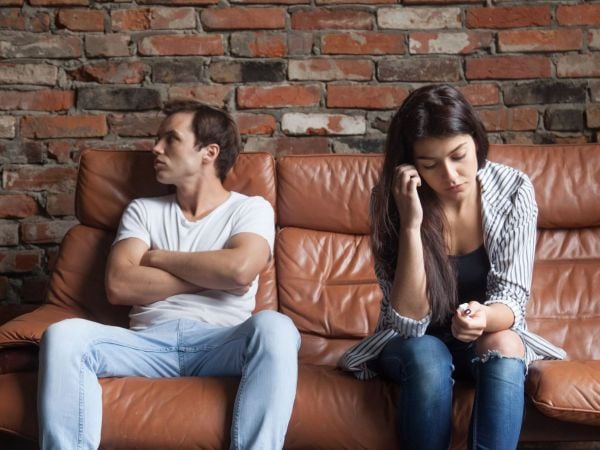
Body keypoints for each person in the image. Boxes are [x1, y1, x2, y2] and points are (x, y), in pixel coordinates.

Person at [38, 100, 300, 450]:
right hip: (147, 343)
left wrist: (157, 258)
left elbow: (239, 270)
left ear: (209, 152)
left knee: (277, 328)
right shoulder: (143, 210)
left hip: (221, 343)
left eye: (171, 139)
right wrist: (214, 276)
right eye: (157, 139)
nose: (156, 148)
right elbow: (119, 285)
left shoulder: (250, 208)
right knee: (63, 335)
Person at [339, 84, 565, 450]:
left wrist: (482, 318)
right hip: (411, 346)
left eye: (459, 156)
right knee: (428, 353)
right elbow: (409, 323)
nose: (450, 175)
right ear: (411, 165)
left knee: (505, 343)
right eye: (430, 165)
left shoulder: (513, 190)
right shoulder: (391, 198)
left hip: (482, 337)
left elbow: (512, 302)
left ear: (476, 141)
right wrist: (411, 224)